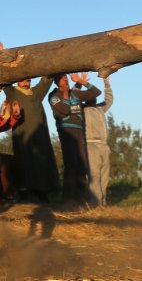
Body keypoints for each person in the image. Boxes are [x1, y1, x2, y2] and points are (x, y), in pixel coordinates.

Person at [0, 43, 60, 203]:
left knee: (41, 160)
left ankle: (44, 191)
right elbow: (4, 79)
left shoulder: (36, 93)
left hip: (40, 135)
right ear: (18, 81)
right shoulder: (12, 93)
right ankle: (25, 192)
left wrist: (53, 57)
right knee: (24, 162)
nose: (25, 81)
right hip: (23, 136)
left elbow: (47, 79)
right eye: (22, 78)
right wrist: (1, 56)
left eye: (27, 78)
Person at [48, 73, 100, 207]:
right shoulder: (54, 97)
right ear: (57, 82)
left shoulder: (75, 94)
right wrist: (65, 93)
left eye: (67, 77)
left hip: (79, 130)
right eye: (63, 78)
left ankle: (79, 198)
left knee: (82, 165)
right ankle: (68, 199)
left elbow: (96, 92)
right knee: (71, 164)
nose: (66, 79)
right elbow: (64, 110)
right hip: (66, 131)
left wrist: (82, 81)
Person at [79, 73, 113, 206]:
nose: (93, 96)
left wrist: (107, 85)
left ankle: (102, 204)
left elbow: (109, 100)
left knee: (105, 176)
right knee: (94, 176)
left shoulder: (100, 108)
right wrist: (80, 83)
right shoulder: (82, 109)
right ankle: (95, 205)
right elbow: (74, 96)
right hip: (90, 144)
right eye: (90, 94)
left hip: (104, 145)